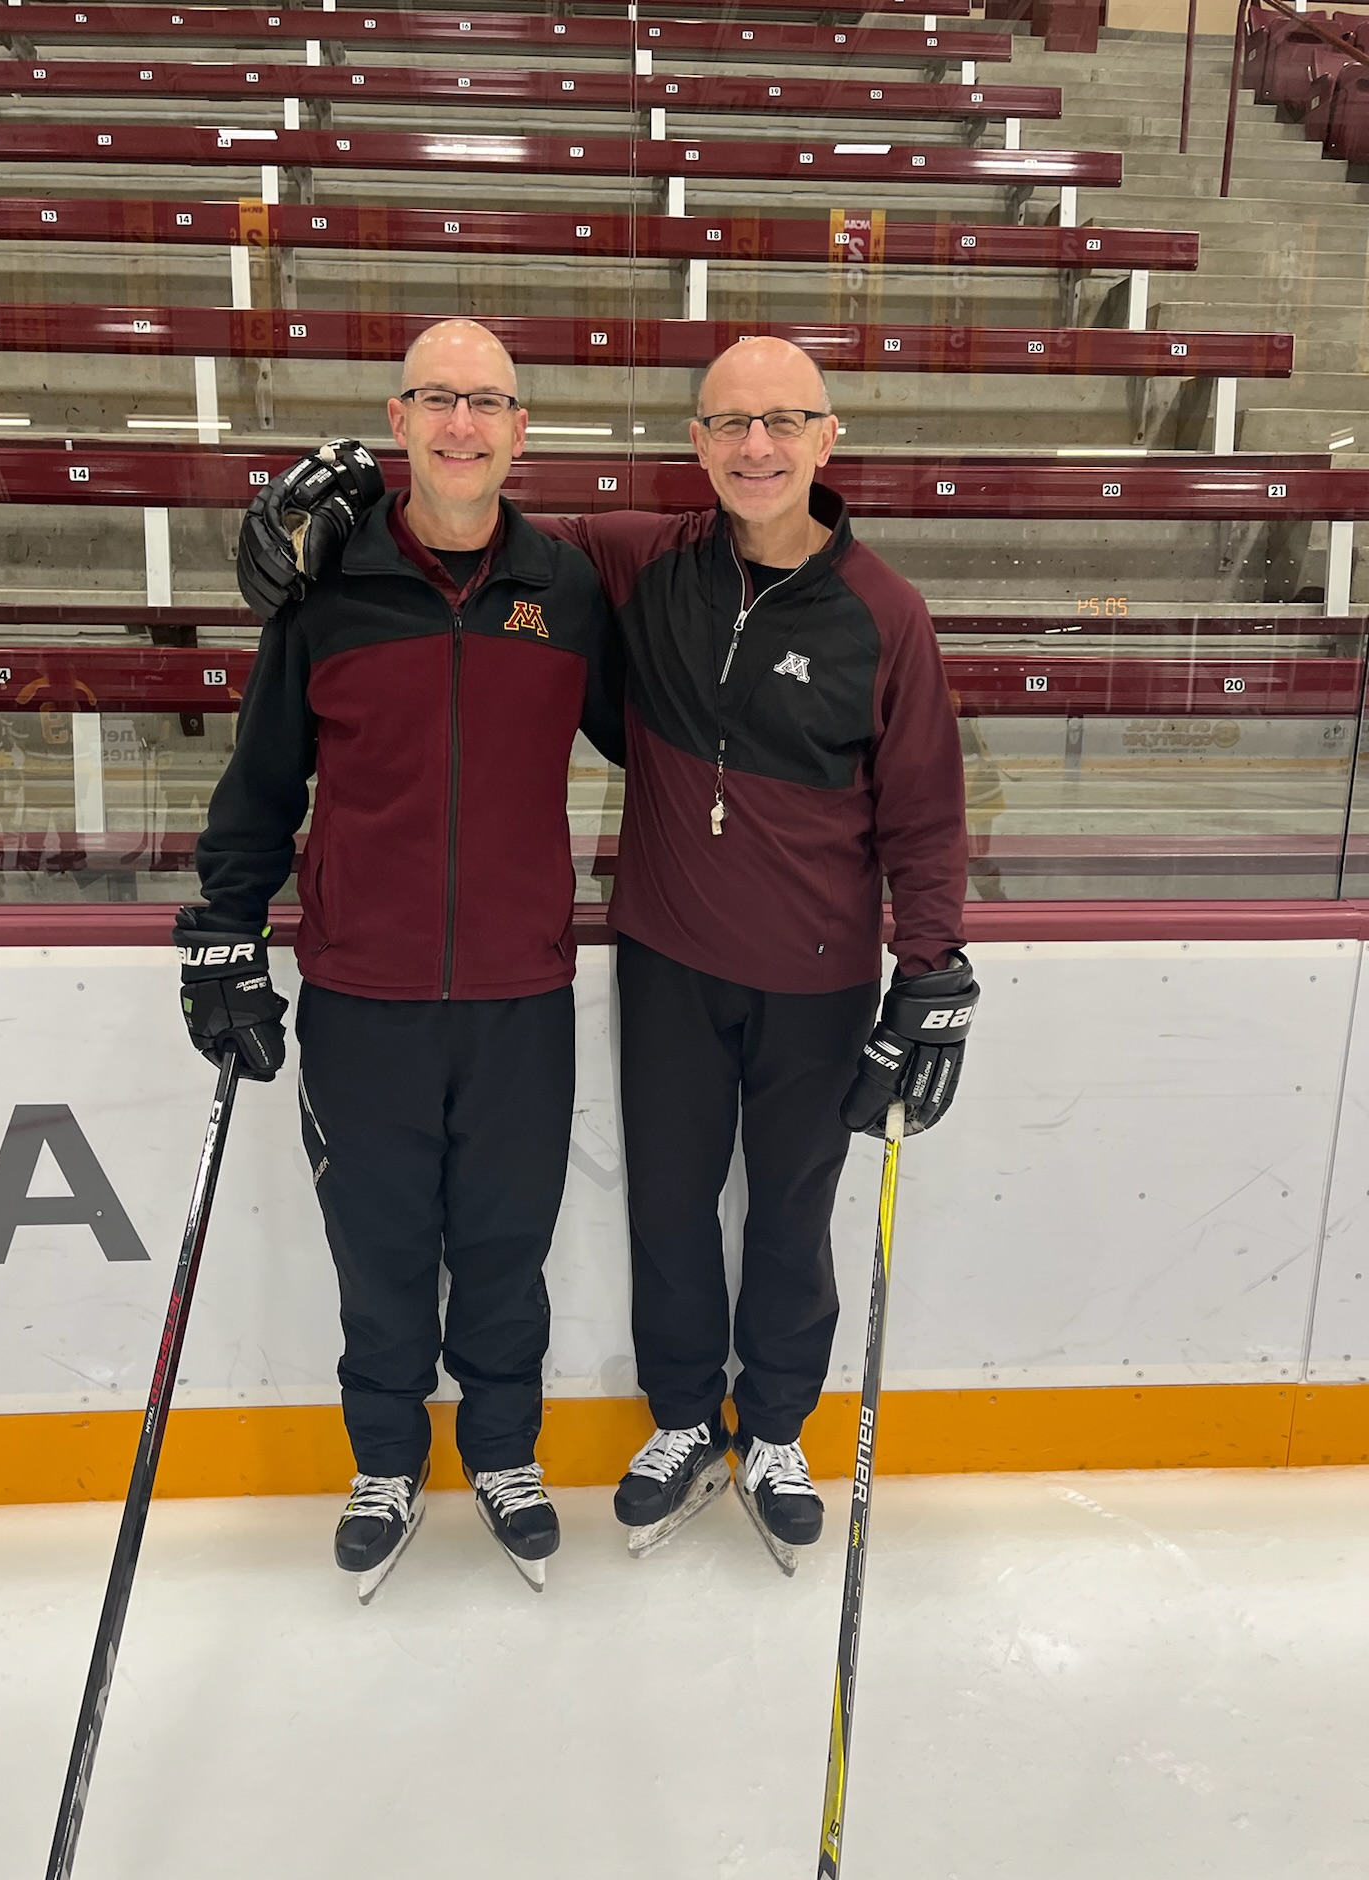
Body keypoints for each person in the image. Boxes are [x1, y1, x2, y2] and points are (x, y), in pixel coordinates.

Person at [238, 331, 976, 1574]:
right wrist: (348, 495)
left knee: (792, 1214)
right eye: (730, 424)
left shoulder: (884, 612)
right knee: (671, 1209)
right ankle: (683, 1416)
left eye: (784, 422)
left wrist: (935, 969)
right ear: (697, 441)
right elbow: (474, 516)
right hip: (670, 955)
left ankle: (776, 1428)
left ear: (826, 438)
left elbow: (924, 804)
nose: (756, 447)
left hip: (820, 968)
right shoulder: (636, 558)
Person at [178, 319, 623, 1599]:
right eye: (437, 399)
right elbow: (263, 777)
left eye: (486, 402)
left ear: (520, 428)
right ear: (399, 419)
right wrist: (223, 928)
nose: (461, 425)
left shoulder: (567, 589)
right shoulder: (327, 589)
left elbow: (661, 735)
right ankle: (385, 1459)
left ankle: (502, 1450)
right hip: (362, 995)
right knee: (376, 1252)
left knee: (504, 1247)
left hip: (519, 994)